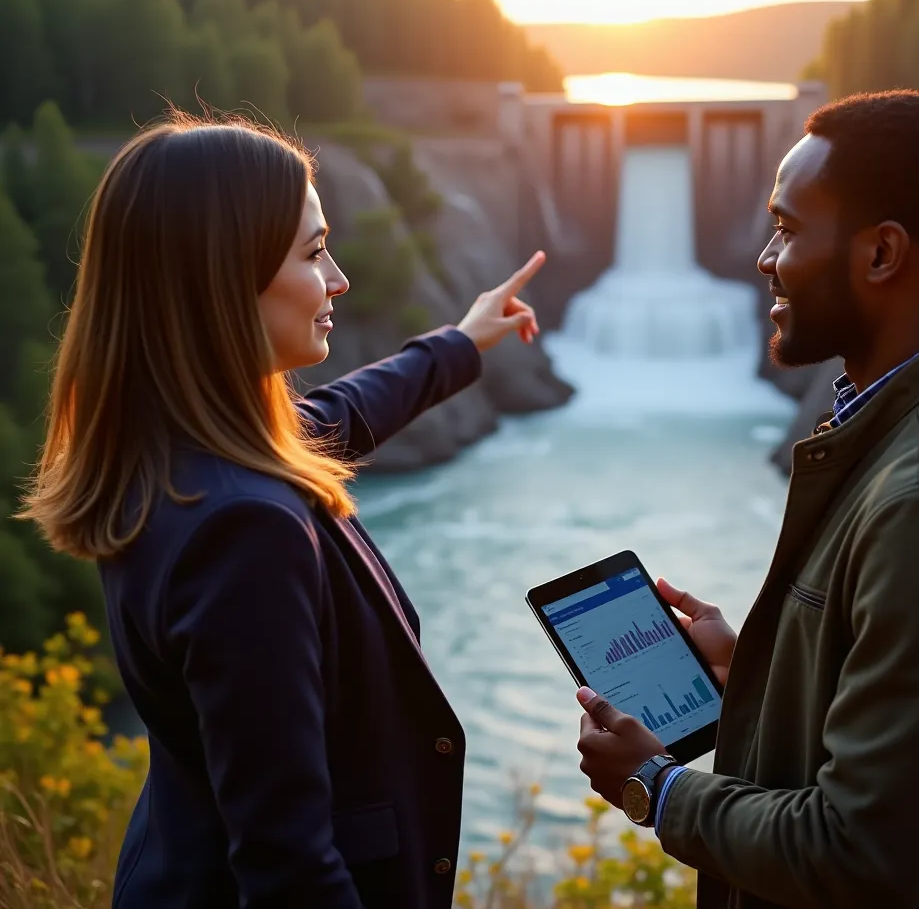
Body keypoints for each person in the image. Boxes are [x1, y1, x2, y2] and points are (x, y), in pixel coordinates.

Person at [19, 111, 546, 909]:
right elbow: (288, 865)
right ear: (221, 279)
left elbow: (337, 415)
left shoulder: (167, 453)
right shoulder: (245, 533)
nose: (337, 279)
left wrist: (462, 343)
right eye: (312, 252)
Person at [574, 90, 919, 908]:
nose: (764, 257)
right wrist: (757, 669)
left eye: (786, 227)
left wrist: (658, 787)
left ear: (881, 254)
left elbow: (861, 854)